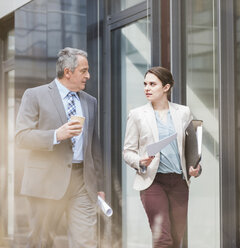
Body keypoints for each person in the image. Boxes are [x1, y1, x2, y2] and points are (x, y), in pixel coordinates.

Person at [15, 47, 104, 248]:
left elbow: (94, 146)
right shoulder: (35, 95)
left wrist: (99, 186)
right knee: (41, 242)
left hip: (83, 183)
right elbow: (21, 137)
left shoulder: (90, 102)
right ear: (67, 72)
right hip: (46, 182)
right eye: (84, 71)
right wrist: (56, 135)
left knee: (86, 243)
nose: (88, 76)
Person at [123, 66, 201, 248]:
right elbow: (127, 151)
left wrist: (194, 168)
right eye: (145, 84)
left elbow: (192, 149)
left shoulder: (183, 112)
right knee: (162, 238)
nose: (147, 88)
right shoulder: (137, 115)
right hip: (153, 182)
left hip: (179, 183)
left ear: (166, 87)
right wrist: (139, 162)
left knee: (176, 238)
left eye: (152, 84)